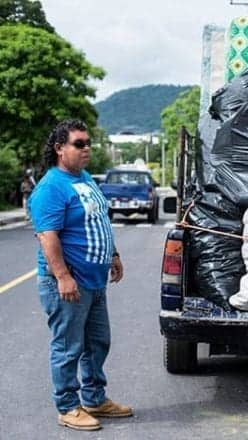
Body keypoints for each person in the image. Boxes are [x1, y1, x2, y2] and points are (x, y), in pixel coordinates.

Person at [28, 119, 132, 431]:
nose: (86, 149)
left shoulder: (84, 178)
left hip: (94, 280)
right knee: (68, 347)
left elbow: (99, 220)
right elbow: (47, 236)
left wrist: (112, 254)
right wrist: (62, 276)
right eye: (79, 144)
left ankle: (95, 398)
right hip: (68, 282)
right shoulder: (50, 188)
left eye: (88, 143)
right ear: (60, 149)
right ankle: (68, 406)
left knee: (98, 342)